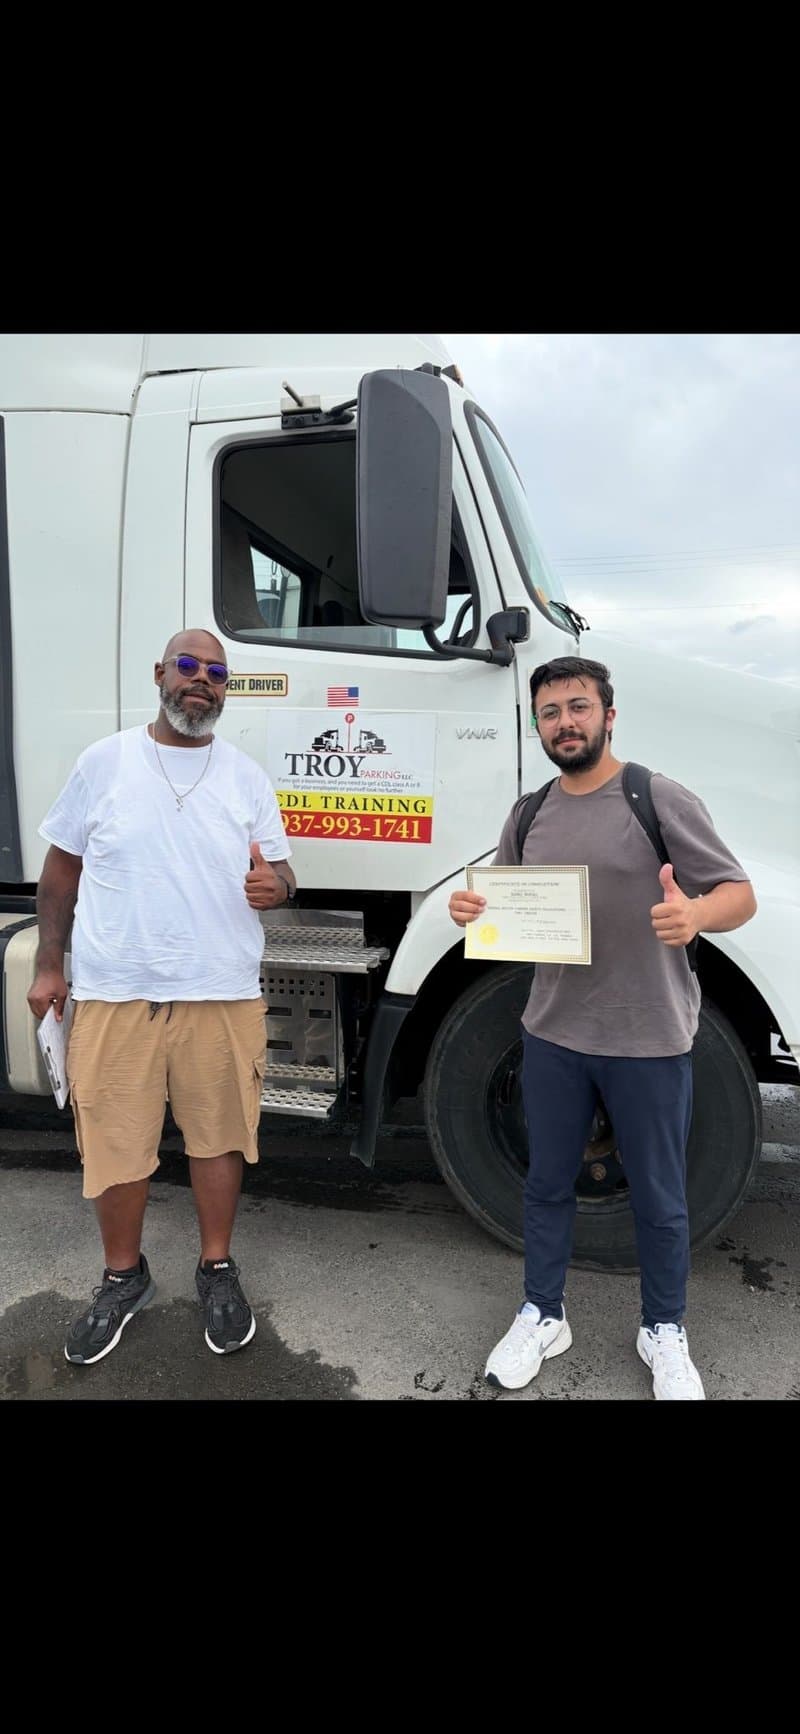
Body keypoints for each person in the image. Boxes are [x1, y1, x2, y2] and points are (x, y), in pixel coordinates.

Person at [448, 655, 757, 1401]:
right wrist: (474, 913)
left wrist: (696, 916)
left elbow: (739, 894)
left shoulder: (655, 797)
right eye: (550, 712)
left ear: (608, 715)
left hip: (649, 1037)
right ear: (538, 726)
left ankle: (664, 1329)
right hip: (554, 1033)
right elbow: (510, 909)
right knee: (547, 1185)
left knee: (660, 1196)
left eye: (578, 707)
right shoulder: (529, 813)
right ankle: (544, 1314)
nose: (565, 722)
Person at [27, 629, 295, 1365]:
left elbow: (279, 872)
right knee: (116, 1148)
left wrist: (278, 887)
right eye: (188, 666)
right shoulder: (104, 763)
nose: (201, 680)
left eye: (215, 672)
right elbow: (58, 874)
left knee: (219, 1139)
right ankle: (123, 1277)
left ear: (225, 688)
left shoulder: (245, 776)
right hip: (117, 993)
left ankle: (216, 1266)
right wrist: (50, 966)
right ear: (160, 675)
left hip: (221, 993)